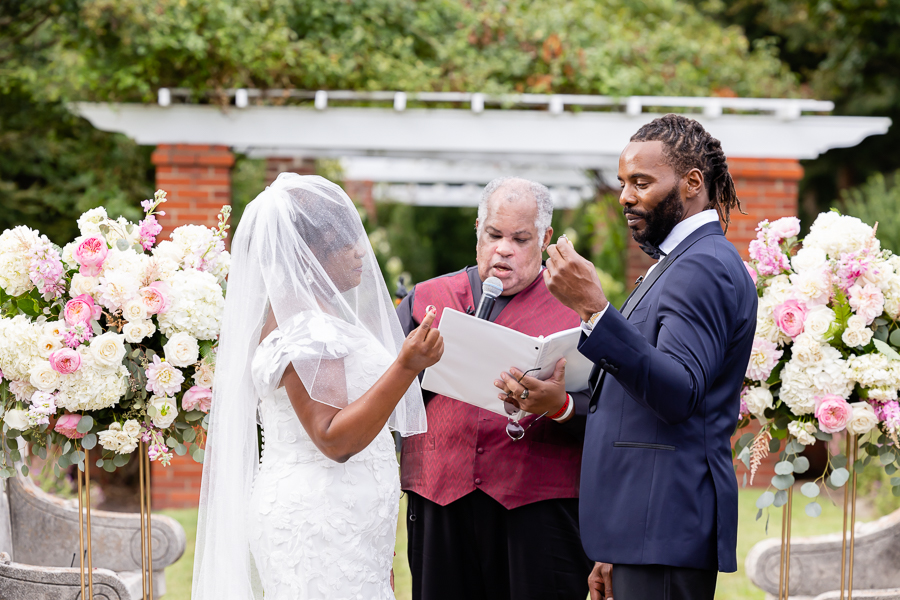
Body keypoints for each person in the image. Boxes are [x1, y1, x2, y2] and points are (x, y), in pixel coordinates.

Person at [534, 114, 757, 600]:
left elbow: (677, 392)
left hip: (666, 532)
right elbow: (633, 403)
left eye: (641, 182)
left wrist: (595, 308)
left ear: (693, 183)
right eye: (622, 183)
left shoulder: (703, 267)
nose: (625, 196)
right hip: (641, 532)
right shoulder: (674, 264)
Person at [191, 173, 443, 600]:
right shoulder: (306, 330)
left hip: (347, 524)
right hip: (320, 522)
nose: (361, 249)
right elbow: (333, 437)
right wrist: (406, 366)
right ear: (309, 253)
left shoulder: (319, 318)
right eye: (346, 241)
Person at [396, 176, 594, 600]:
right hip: (440, 498)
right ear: (477, 230)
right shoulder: (426, 300)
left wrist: (560, 406)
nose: (503, 249)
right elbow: (382, 389)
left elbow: (608, 408)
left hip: (537, 511)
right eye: (493, 235)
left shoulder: (577, 310)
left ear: (545, 239)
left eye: (520, 239)